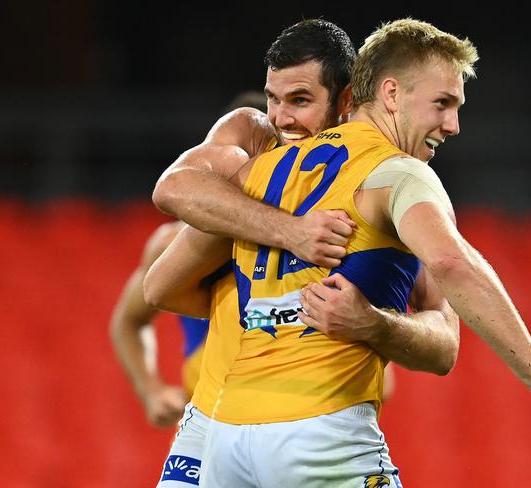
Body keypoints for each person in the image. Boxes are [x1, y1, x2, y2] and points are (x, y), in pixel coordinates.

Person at [146, 18, 531, 487]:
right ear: (389, 93)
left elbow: (161, 285)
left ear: (344, 98)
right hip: (320, 429)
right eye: (442, 104)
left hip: (225, 435)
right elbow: (451, 263)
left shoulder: (258, 173)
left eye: (300, 100)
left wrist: (291, 313)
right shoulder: (395, 174)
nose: (454, 125)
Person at [146, 19, 460, 487]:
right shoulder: (252, 145)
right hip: (216, 416)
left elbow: (443, 342)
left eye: (299, 101)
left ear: (348, 100)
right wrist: (288, 233)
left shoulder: (385, 186)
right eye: (272, 98)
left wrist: (375, 324)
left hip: (306, 415)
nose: (279, 118)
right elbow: (170, 207)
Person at [109, 91, 269, 428]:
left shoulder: (307, 232)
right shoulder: (172, 242)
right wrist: (150, 390)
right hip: (211, 417)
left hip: (293, 411)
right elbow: (128, 321)